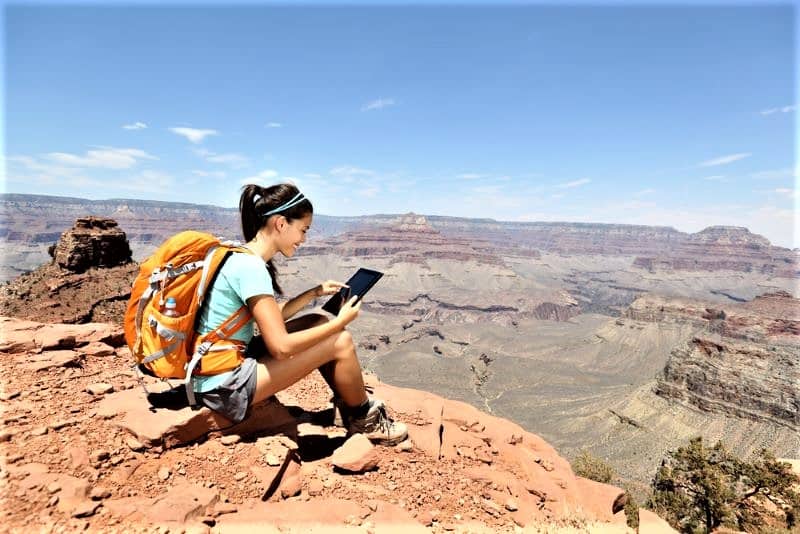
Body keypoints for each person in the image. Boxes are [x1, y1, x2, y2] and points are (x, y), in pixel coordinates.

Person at [191, 182, 408, 445]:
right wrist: (340, 322)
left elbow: (271, 316)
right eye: (303, 230)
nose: (304, 240)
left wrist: (313, 293)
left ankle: (347, 405)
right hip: (225, 386)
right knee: (340, 340)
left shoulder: (241, 256)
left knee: (316, 321)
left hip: (217, 367)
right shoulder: (252, 268)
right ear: (281, 223)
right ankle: (365, 420)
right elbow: (281, 347)